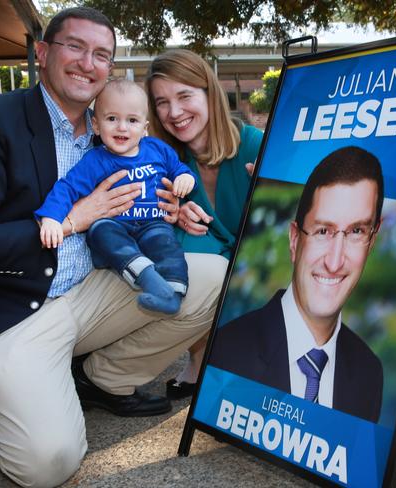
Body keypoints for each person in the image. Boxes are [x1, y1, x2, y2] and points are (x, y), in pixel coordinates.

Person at [0, 7, 226, 487]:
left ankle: (100, 378)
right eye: (75, 47)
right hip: (8, 312)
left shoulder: (114, 129)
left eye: (101, 54)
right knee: (49, 463)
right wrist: (72, 220)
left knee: (211, 278)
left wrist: (170, 209)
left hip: (86, 297)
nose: (88, 63)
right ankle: (8, 390)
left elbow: (149, 188)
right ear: (43, 53)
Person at [209, 146, 384, 423]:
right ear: (294, 240)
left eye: (356, 232)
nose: (335, 262)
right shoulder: (227, 350)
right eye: (322, 231)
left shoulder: (369, 371)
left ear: (372, 241)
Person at [145, 49, 263, 398]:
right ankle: (198, 358)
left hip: (256, 261)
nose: (175, 112)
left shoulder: (254, 145)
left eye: (184, 96)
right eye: (162, 102)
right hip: (210, 262)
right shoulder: (161, 161)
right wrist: (171, 211)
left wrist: (274, 189)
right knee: (180, 248)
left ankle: (240, 357)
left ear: (209, 93)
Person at [36, 79, 196, 314]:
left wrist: (185, 179)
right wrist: (51, 218)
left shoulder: (157, 149)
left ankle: (172, 294)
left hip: (153, 223)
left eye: (132, 120)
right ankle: (146, 276)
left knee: (167, 245)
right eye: (112, 119)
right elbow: (67, 188)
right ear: (96, 125)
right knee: (100, 229)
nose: (122, 127)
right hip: (116, 227)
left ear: (145, 128)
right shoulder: (96, 160)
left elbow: (179, 168)